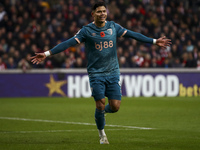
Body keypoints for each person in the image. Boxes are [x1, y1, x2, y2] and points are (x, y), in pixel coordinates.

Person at [31, 1, 171, 144]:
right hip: (96, 73)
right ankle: (102, 135)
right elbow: (68, 43)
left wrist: (154, 41)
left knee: (115, 106)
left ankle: (101, 114)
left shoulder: (113, 27)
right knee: (100, 103)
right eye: (99, 11)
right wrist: (47, 54)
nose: (102, 14)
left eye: (104, 11)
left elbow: (132, 34)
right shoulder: (86, 30)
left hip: (113, 72)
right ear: (93, 14)